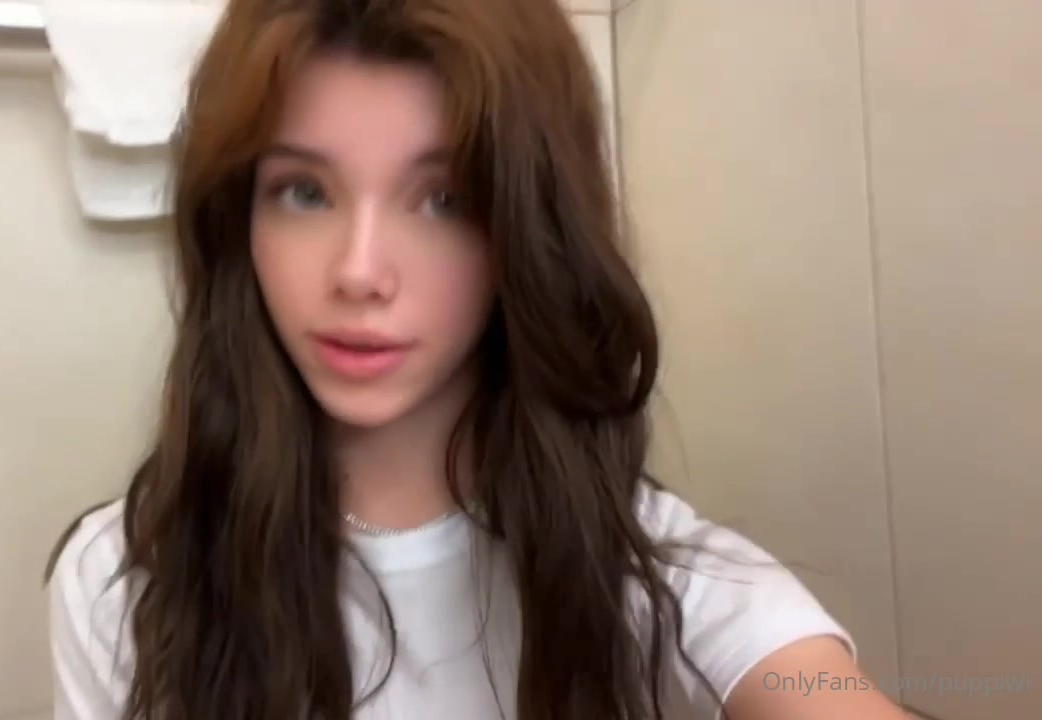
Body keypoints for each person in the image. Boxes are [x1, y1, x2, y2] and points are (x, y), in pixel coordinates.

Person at [45, 1, 910, 719]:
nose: (359, 272)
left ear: (528, 232)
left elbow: (813, 686)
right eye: (304, 192)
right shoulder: (123, 580)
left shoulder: (656, 575)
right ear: (238, 221)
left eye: (445, 199)